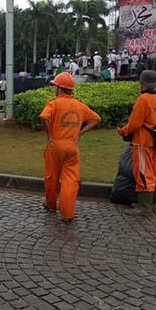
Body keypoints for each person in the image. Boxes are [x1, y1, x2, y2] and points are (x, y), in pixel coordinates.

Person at [39, 72, 101, 222]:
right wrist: (80, 132)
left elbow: (43, 117)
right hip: (72, 148)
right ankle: (67, 214)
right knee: (70, 181)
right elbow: (96, 119)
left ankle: (51, 205)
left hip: (55, 146)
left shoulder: (53, 103)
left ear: (60, 88)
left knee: (51, 177)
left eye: (55, 87)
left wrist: (49, 135)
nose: (55, 89)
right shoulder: (79, 106)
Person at [117, 70, 156, 217]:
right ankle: (152, 202)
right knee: (155, 172)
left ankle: (144, 207)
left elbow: (134, 124)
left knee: (143, 173)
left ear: (142, 83)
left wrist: (122, 131)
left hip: (142, 142)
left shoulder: (143, 99)